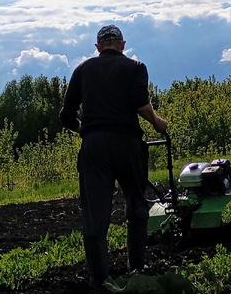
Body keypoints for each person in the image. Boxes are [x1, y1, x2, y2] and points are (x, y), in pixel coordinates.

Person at [59, 24, 169, 292]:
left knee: (95, 216)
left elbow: (65, 116)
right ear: (122, 44)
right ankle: (136, 269)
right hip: (127, 143)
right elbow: (141, 105)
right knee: (136, 205)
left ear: (98, 47)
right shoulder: (135, 67)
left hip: (94, 147)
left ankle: (100, 282)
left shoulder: (82, 70)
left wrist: (86, 129)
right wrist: (157, 123)